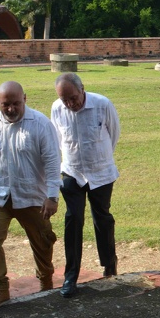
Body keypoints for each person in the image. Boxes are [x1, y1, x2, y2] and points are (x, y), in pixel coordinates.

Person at [0, 81, 61, 310]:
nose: (11, 109)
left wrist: (52, 196)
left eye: (16, 103)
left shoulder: (40, 124)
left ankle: (46, 281)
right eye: (5, 104)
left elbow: (52, 161)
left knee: (42, 240)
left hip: (32, 195)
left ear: (25, 99)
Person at [51, 73, 121, 298]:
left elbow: (114, 134)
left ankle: (109, 265)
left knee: (102, 218)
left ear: (83, 90)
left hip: (101, 171)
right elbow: (57, 139)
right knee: (73, 219)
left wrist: (100, 157)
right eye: (65, 100)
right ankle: (71, 275)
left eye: (73, 98)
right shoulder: (57, 109)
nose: (70, 104)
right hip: (72, 171)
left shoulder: (102, 104)